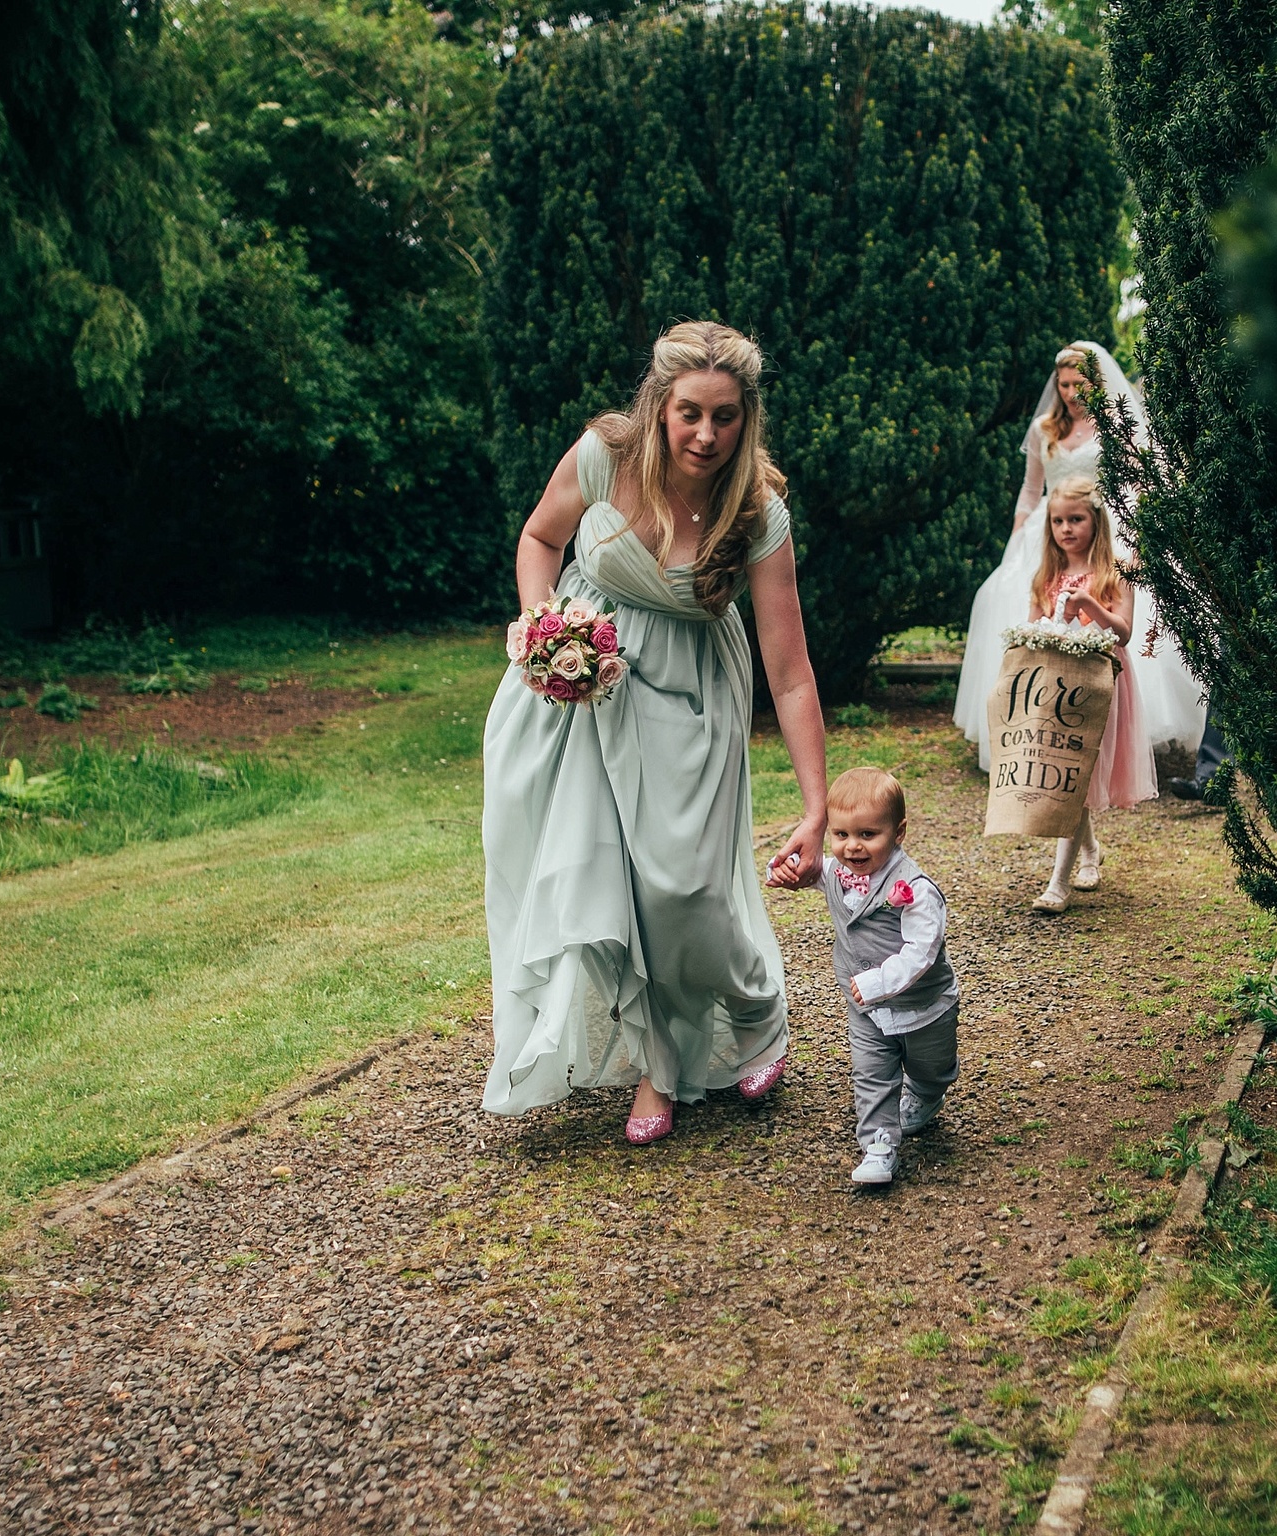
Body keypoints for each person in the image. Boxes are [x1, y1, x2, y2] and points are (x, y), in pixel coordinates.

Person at [483, 320, 830, 1150]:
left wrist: (816, 806)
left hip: (693, 699)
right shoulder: (603, 458)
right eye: (689, 414)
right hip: (584, 698)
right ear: (659, 406)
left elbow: (790, 672)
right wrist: (545, 626)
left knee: (683, 894)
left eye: (725, 416)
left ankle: (756, 1008)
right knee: (602, 881)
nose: (706, 435)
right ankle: (660, 1065)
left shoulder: (757, 512)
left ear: (747, 416)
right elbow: (540, 537)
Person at [952, 339, 1206, 785]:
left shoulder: (1115, 428)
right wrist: (1017, 539)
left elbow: (1142, 483)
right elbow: (1031, 491)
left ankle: (1115, 740)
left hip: (1105, 527)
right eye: (1063, 384)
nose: (1070, 392)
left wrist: (1139, 543)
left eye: (1079, 383)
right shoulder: (1044, 430)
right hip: (1047, 531)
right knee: (1003, 601)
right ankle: (1031, 732)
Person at [815, 765, 960, 1190]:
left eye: (867, 835)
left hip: (924, 1007)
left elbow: (922, 951)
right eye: (841, 835)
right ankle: (878, 1146)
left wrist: (879, 981)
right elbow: (810, 871)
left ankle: (928, 1094)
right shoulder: (838, 873)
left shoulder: (915, 890)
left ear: (898, 833)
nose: (852, 847)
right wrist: (784, 869)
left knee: (931, 1066)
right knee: (871, 1072)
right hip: (867, 1009)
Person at [1025, 492, 1153, 917]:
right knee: (1070, 776)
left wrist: (1089, 605)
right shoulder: (1047, 574)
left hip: (1101, 682)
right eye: (1058, 521)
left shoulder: (1114, 573)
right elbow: (1032, 629)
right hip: (1058, 686)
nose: (1066, 529)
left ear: (1095, 521)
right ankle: (1090, 851)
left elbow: (1124, 633)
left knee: (1076, 778)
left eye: (1076, 519)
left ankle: (1058, 884)